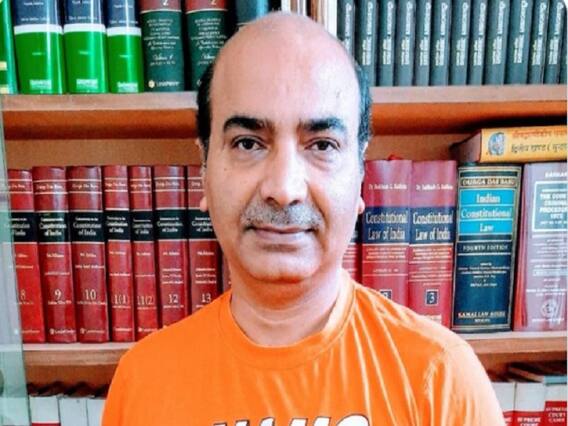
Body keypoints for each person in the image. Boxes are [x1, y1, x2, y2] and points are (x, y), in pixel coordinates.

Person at [102, 12, 504, 426]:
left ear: (360, 176)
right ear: (203, 168)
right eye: (248, 143)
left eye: (322, 145)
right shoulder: (143, 382)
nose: (284, 188)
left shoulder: (441, 379)